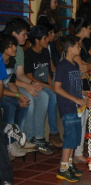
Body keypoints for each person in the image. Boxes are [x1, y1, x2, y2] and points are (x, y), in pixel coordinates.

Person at [4, 18, 52, 155]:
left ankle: (38, 137)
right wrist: (26, 86)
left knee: (43, 95)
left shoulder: (18, 50)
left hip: (14, 83)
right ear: (14, 34)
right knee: (29, 98)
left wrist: (32, 83)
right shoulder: (7, 51)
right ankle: (25, 136)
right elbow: (8, 80)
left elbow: (18, 74)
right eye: (24, 34)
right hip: (8, 86)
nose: (26, 37)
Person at [54, 36, 91, 182]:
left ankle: (69, 164)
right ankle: (63, 168)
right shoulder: (62, 65)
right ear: (69, 48)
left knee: (75, 136)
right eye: (77, 45)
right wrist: (76, 99)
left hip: (77, 107)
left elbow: (76, 87)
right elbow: (57, 88)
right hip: (68, 106)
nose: (80, 48)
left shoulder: (74, 65)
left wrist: (84, 93)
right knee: (69, 137)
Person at [25, 25, 63, 148]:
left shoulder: (45, 51)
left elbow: (47, 72)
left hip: (44, 83)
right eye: (45, 38)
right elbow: (29, 76)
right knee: (51, 95)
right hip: (34, 83)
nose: (48, 40)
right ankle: (53, 132)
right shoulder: (29, 54)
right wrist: (49, 87)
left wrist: (51, 84)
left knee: (55, 94)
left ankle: (53, 132)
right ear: (37, 40)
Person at [69, 17, 91, 163]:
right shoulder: (74, 45)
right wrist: (89, 68)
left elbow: (90, 65)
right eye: (89, 28)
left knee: (83, 120)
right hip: (77, 87)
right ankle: (73, 154)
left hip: (84, 85)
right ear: (83, 29)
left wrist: (90, 68)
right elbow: (82, 68)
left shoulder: (83, 44)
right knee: (78, 121)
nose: (90, 30)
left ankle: (78, 152)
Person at [0, 35, 29, 158]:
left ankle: (18, 138)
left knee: (24, 103)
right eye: (11, 45)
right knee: (10, 106)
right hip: (1, 92)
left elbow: (11, 82)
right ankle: (9, 143)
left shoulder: (12, 61)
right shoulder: (0, 60)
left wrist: (20, 96)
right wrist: (17, 95)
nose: (15, 48)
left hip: (5, 90)